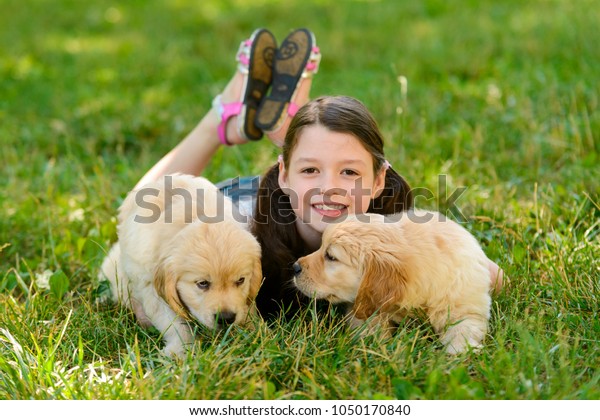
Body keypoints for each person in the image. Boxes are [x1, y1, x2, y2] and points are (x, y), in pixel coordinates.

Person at [123, 27, 504, 320]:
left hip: (308, 188)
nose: (330, 188)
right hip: (253, 200)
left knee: (322, 153)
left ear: (377, 182)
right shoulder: (239, 233)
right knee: (147, 211)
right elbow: (140, 214)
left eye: (350, 172)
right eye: (311, 170)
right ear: (284, 173)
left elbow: (486, 275)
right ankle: (225, 118)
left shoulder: (397, 231)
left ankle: (291, 125)